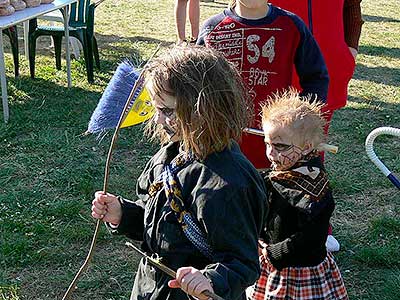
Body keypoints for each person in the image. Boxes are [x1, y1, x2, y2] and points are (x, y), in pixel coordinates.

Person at [91, 46, 268, 300]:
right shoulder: (169, 156)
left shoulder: (229, 183)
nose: (159, 120)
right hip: (151, 289)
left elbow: (242, 263)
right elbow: (158, 225)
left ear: (203, 108)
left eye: (167, 111)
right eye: (157, 109)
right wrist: (123, 214)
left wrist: (208, 279)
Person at [270, 0, 364, 253]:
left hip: (326, 67)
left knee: (311, 149)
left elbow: (352, 7)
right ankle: (268, 227)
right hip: (277, 62)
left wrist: (350, 50)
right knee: (270, 148)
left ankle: (315, 226)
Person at [197, 0, 329, 170]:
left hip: (278, 150)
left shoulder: (292, 26)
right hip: (224, 148)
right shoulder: (212, 29)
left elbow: (316, 78)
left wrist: (299, 122)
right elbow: (197, 86)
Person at [249, 89, 348, 300]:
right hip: (275, 265)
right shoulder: (284, 171)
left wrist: (273, 253)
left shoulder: (313, 189)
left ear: (307, 147)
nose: (270, 153)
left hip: (299, 272)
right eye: (267, 144)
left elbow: (312, 238)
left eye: (280, 146)